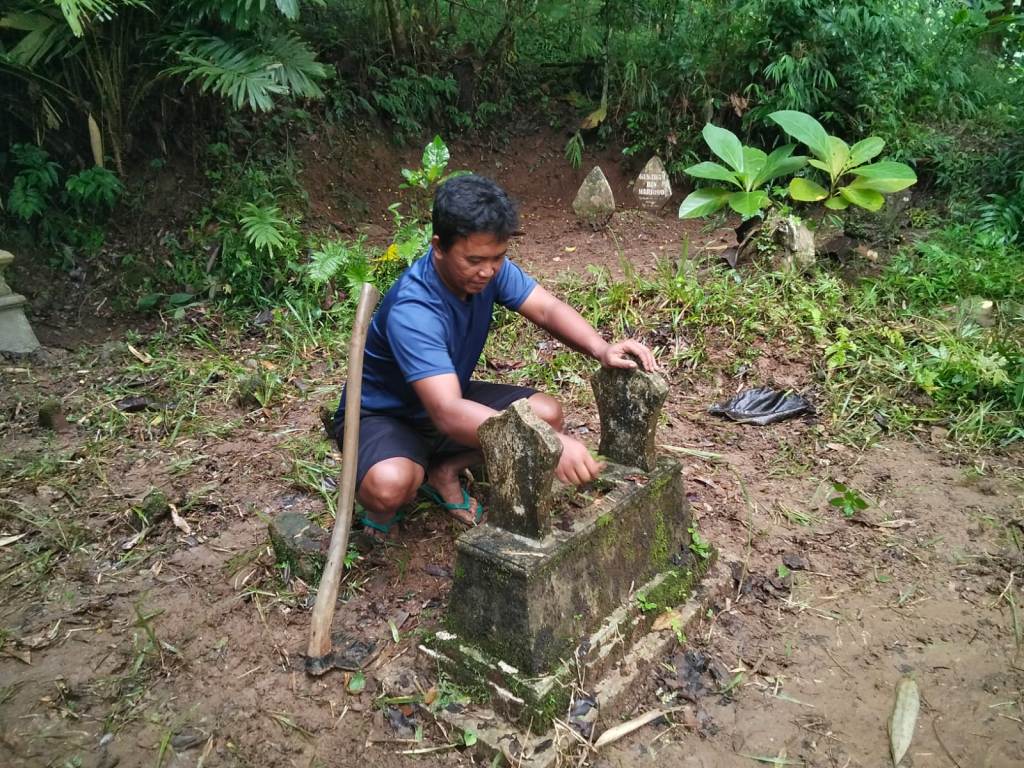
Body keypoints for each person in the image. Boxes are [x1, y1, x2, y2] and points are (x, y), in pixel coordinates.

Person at [334, 174, 657, 538]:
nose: (487, 271)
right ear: (438, 246)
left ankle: (444, 470)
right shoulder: (414, 309)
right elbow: (447, 411)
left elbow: (547, 309)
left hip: (446, 399)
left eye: (498, 258)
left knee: (546, 415)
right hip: (386, 414)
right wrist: (543, 442)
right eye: (474, 260)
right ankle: (388, 489)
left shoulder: (487, 272)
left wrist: (601, 348)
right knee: (390, 484)